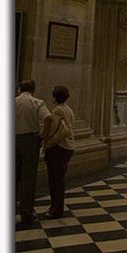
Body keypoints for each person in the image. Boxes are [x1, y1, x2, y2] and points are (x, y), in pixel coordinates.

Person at [15, 79, 51, 223]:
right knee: (28, 178)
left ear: (19, 90)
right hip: (30, 140)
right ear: (33, 90)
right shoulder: (37, 102)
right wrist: (43, 134)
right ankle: (26, 213)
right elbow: (48, 118)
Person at [40, 85, 75, 219]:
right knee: (59, 179)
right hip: (69, 147)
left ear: (54, 98)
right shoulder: (69, 109)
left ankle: (56, 209)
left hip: (58, 147)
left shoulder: (57, 111)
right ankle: (55, 207)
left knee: (55, 180)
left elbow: (52, 129)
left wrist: (45, 139)